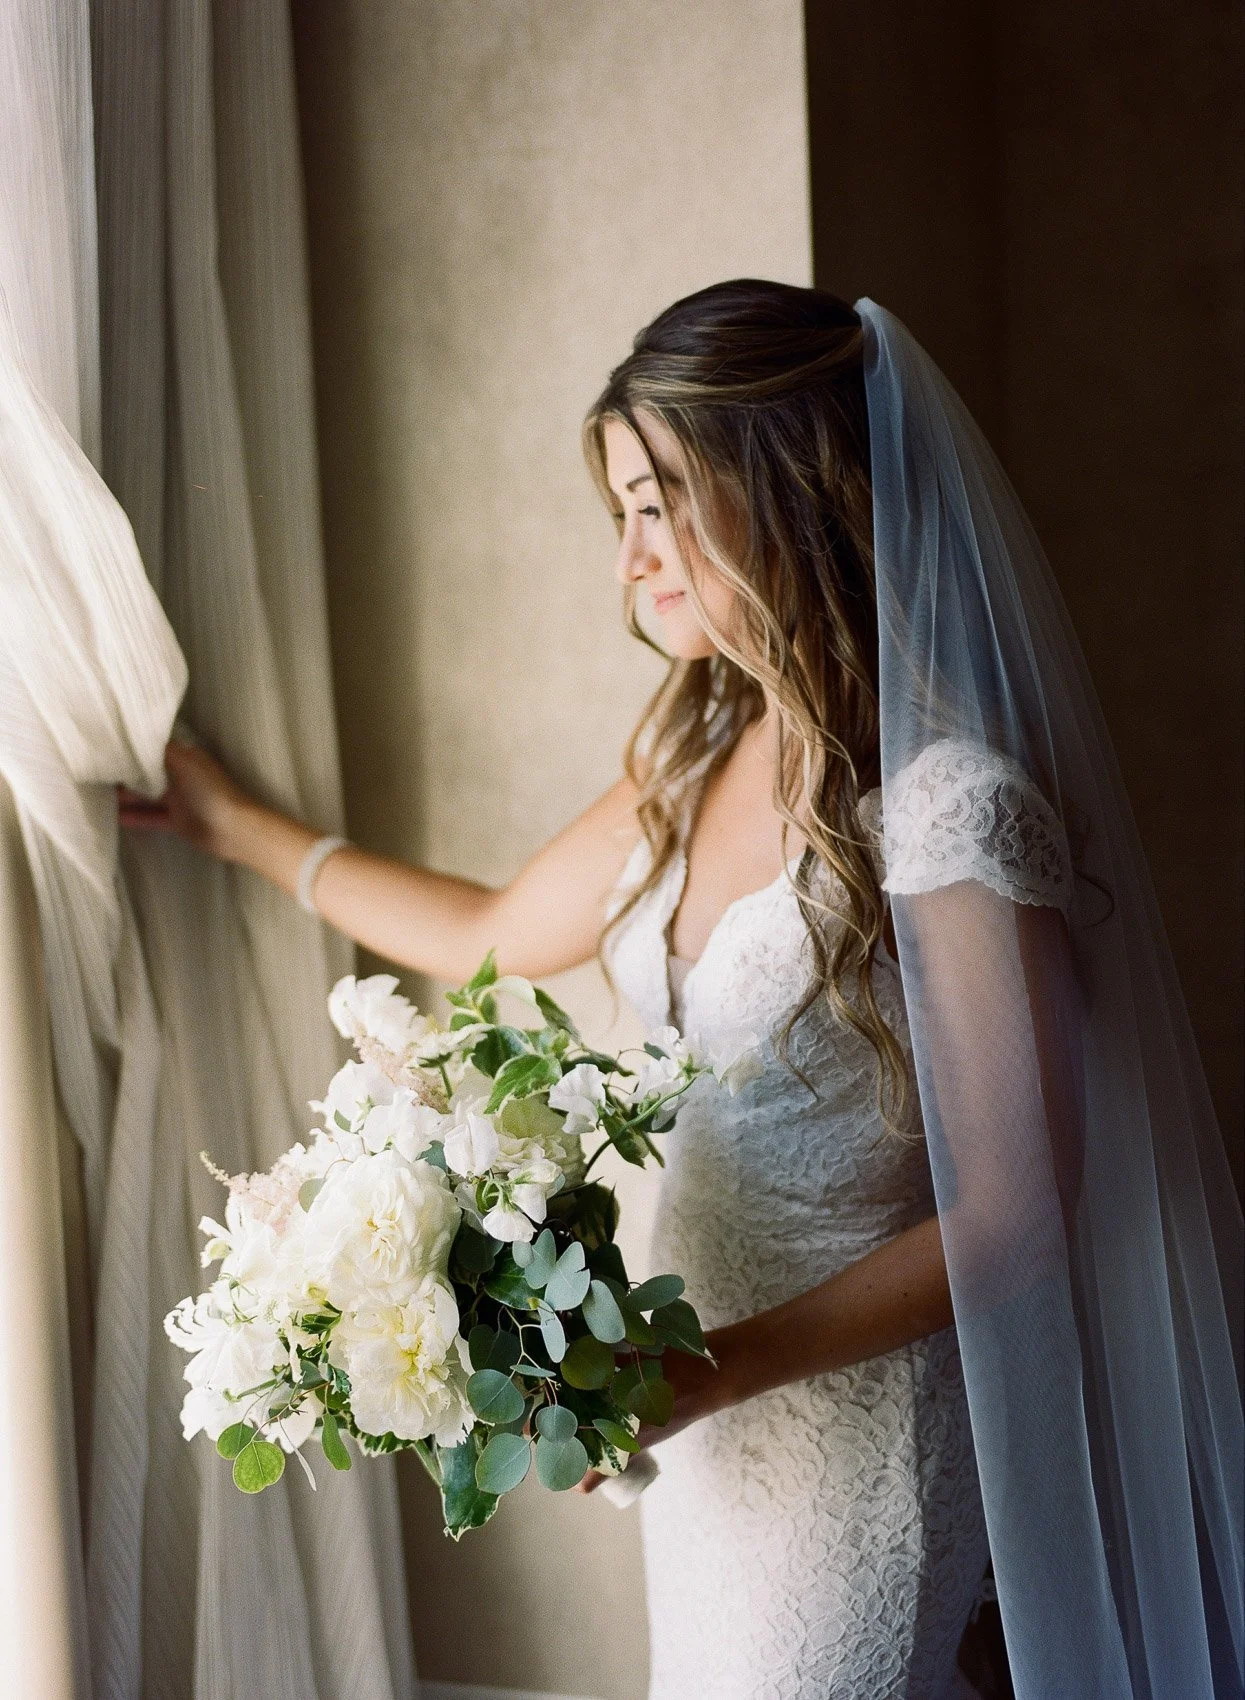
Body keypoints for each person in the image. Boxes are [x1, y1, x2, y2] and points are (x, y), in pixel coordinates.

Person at [122, 282, 1242, 1700]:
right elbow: (486, 929)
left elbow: (1021, 1210)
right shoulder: (697, 753)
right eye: (622, 518)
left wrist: (714, 1368)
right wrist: (234, 829)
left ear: (786, 484)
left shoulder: (950, 806)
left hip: (849, 1442)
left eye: (660, 506)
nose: (632, 563)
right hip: (705, 1436)